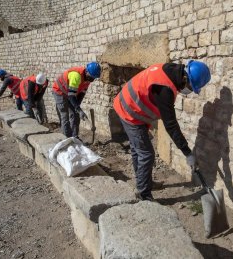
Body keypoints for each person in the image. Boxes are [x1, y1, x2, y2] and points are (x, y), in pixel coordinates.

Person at [113, 60, 211, 201]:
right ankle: (144, 194)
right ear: (185, 78)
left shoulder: (171, 70)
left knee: (138, 150)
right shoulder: (164, 89)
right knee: (146, 154)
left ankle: (144, 182)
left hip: (130, 105)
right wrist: (187, 153)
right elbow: (171, 125)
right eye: (190, 86)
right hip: (128, 110)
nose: (188, 91)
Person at [52, 62, 101, 138]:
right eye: (92, 77)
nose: (92, 79)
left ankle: (75, 138)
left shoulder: (88, 79)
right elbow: (71, 95)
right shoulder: (76, 76)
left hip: (70, 93)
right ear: (87, 71)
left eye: (94, 78)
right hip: (60, 91)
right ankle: (67, 139)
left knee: (75, 115)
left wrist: (77, 108)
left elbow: (81, 93)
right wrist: (78, 109)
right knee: (65, 115)